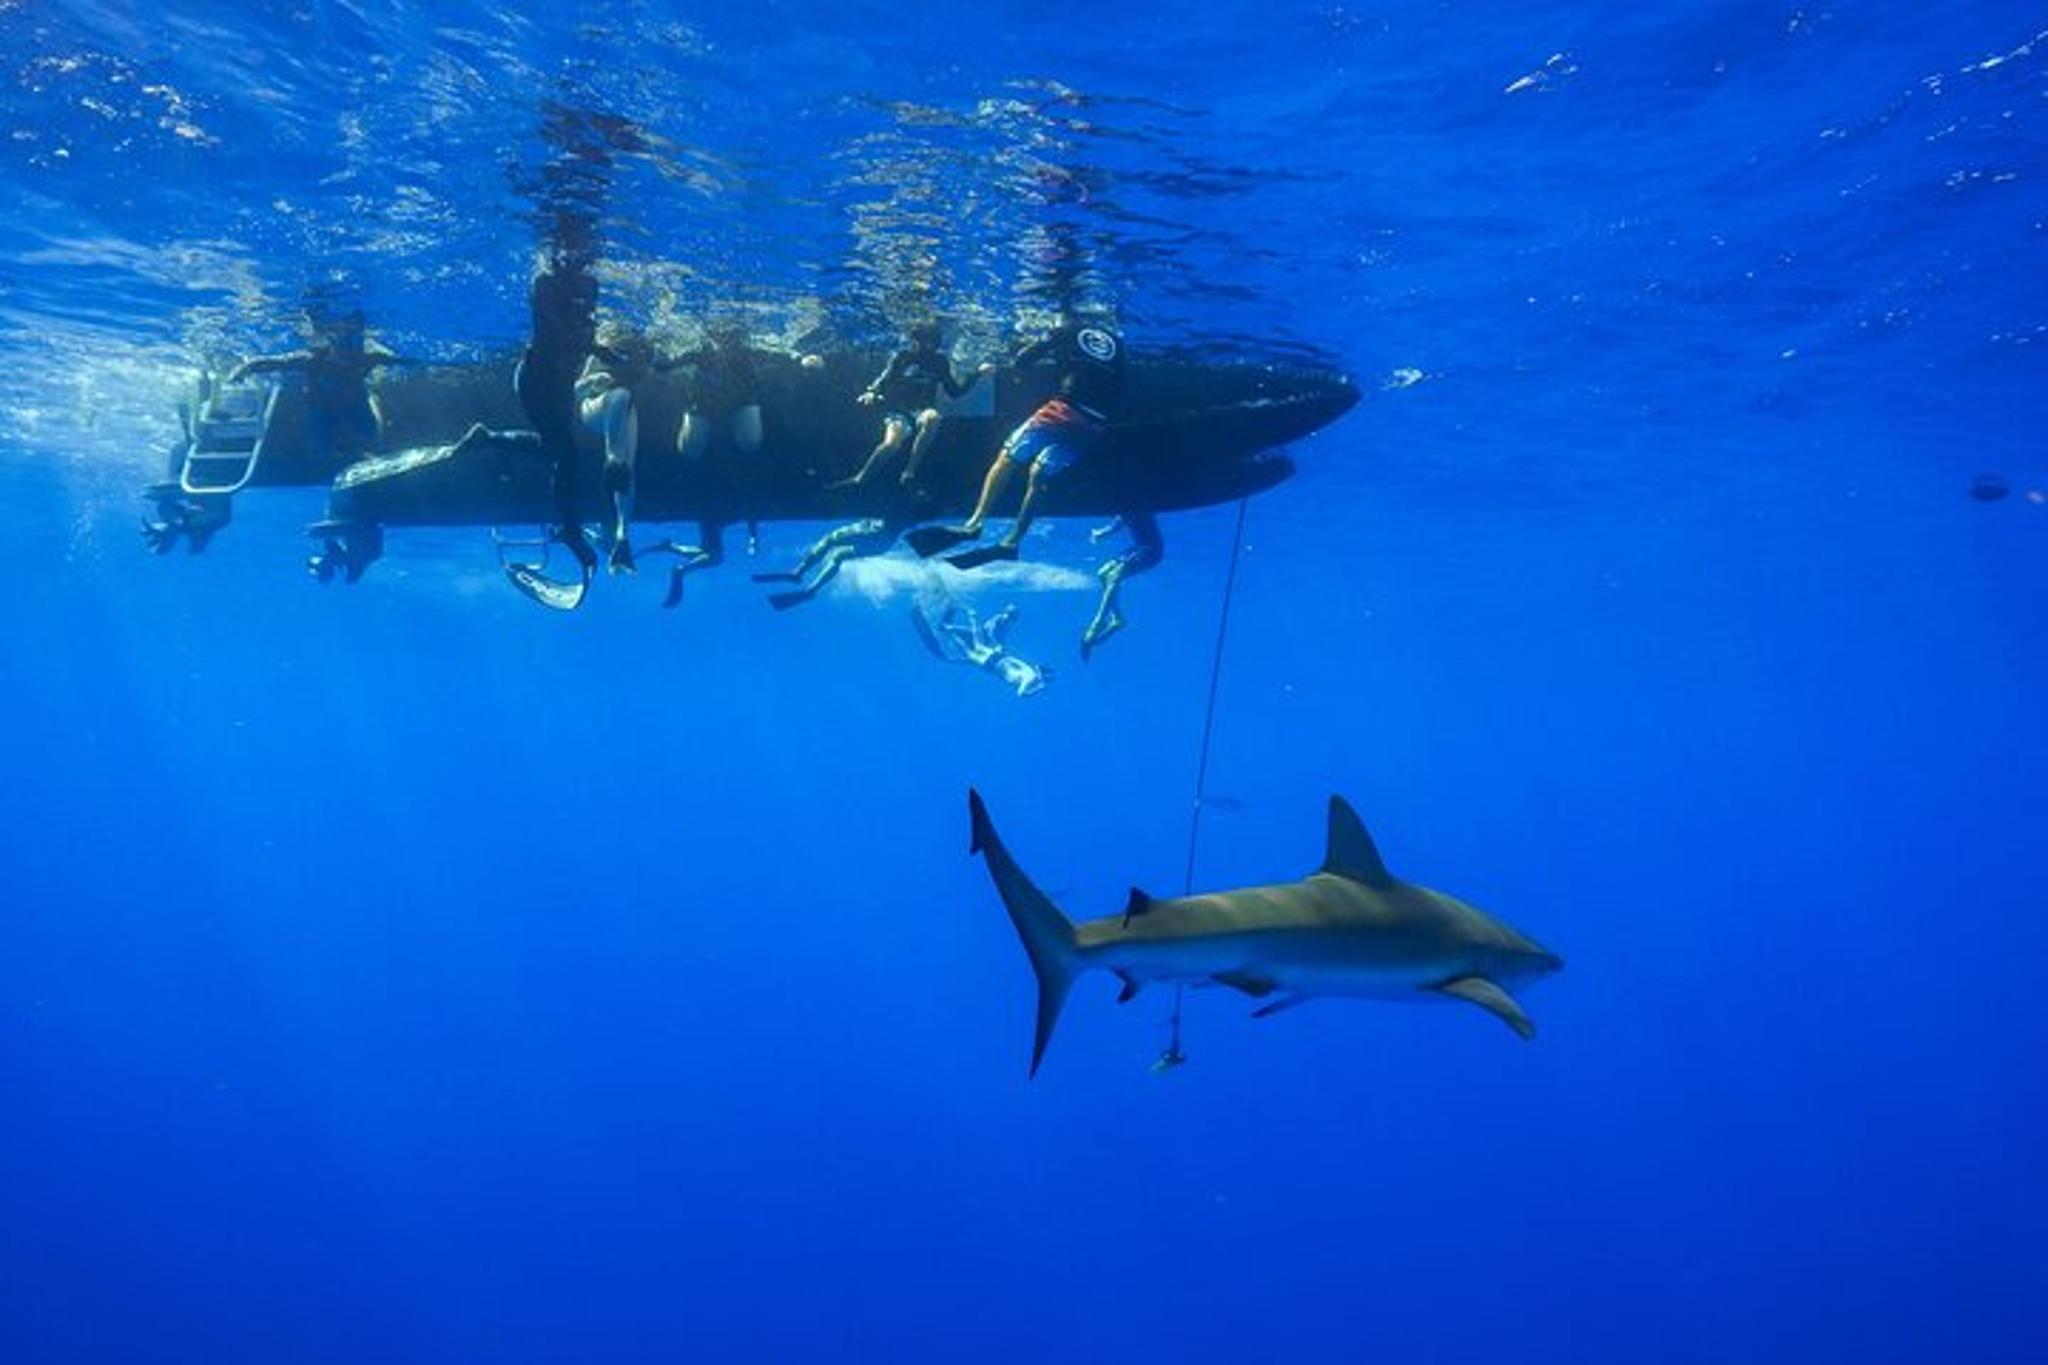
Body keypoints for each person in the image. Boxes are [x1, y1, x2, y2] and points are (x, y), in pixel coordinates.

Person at [905, 313, 1126, 569]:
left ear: (1064, 318)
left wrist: (1046, 351)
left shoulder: (1065, 331)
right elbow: (1121, 387)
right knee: (1040, 473)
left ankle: (974, 523)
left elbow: (1023, 360)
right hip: (1096, 424)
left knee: (1008, 457)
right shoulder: (1115, 342)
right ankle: (1012, 541)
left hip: (1063, 409)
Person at [225, 307, 400, 465]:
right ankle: (340, 453)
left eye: (355, 341)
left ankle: (363, 449)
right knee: (324, 446)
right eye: (344, 344)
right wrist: (244, 368)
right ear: (331, 344)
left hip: (354, 400)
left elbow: (407, 362)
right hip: (321, 406)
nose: (349, 354)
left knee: (369, 434)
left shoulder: (368, 358)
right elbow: (272, 363)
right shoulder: (312, 359)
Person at [829, 321, 987, 494]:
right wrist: (872, 392)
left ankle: (909, 472)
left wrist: (976, 375)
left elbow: (954, 391)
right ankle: (861, 478)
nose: (928, 346)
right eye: (924, 341)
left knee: (933, 417)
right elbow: (885, 378)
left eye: (932, 342)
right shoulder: (903, 357)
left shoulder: (940, 362)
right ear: (915, 340)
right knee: (891, 444)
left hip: (922, 410)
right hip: (899, 412)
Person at [576, 320, 654, 573]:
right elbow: (574, 393)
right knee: (621, 396)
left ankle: (622, 537)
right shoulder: (602, 347)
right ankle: (611, 457)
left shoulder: (644, 349)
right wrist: (591, 383)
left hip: (622, 407)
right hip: (594, 409)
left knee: (626, 466)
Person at [751, 511, 911, 611]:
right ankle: (811, 591)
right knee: (839, 556)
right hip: (884, 544)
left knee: (829, 540)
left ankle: (798, 572)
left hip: (875, 531)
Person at [911, 598, 1055, 698]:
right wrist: (1000, 648)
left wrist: (1001, 650)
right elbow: (1021, 692)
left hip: (994, 657)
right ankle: (951, 628)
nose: (1008, 618)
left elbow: (1014, 664)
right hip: (992, 658)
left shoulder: (1030, 672)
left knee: (970, 649)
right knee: (968, 650)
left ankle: (951, 627)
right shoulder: (1030, 676)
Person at [1080, 510, 1163, 659]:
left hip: (1151, 551)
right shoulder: (1124, 509)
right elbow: (1115, 526)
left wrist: (1101, 533)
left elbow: (1119, 523)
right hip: (1139, 547)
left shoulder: (1129, 505)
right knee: (1102, 573)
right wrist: (1099, 534)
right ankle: (1117, 618)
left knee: (1114, 576)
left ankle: (1097, 624)